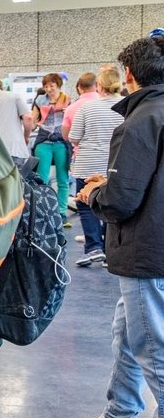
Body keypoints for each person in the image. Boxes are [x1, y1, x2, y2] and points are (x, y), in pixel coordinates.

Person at [78, 34, 164, 418]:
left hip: (147, 248)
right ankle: (119, 416)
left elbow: (121, 199)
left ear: (130, 74)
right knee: (128, 336)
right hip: (153, 244)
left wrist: (95, 193)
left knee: (151, 340)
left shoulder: (141, 119)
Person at [68, 66, 123, 267]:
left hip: (87, 163)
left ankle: (93, 247)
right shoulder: (126, 106)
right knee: (110, 206)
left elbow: (73, 137)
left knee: (85, 204)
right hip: (114, 163)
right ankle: (110, 252)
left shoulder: (87, 107)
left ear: (99, 86)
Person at [31, 73, 71, 219]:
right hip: (44, 141)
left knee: (62, 178)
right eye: (46, 86)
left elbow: (72, 120)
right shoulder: (40, 100)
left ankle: (61, 211)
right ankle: (41, 210)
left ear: (58, 85)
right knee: (41, 177)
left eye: (51, 86)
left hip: (61, 141)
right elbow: (33, 119)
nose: (48, 89)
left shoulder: (67, 100)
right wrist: (30, 125)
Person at [0, 74, 34, 163]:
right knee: (16, 176)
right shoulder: (14, 96)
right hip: (14, 148)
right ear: (1, 88)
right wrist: (26, 136)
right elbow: (28, 118)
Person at [59, 71, 98, 142]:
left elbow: (65, 136)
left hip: (82, 150)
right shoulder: (109, 104)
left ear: (79, 87)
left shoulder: (70, 109)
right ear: (97, 85)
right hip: (109, 151)